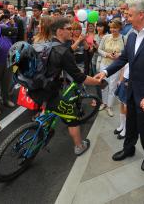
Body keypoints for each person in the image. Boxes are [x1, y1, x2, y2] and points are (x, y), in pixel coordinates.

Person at [95, 2, 144, 171]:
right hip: (131, 89)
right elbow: (124, 59)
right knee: (130, 123)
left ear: (141, 15)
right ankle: (128, 149)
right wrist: (106, 72)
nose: (126, 18)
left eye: (129, 15)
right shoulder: (131, 35)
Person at [28, 18, 102, 155]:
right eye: (69, 29)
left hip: (33, 89)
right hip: (48, 93)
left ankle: (44, 125)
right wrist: (98, 82)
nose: (72, 31)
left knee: (51, 107)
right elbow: (80, 77)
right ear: (59, 31)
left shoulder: (46, 44)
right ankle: (79, 146)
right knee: (72, 117)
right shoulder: (63, 51)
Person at [97, 19, 125, 117]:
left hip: (116, 66)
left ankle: (109, 106)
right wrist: (107, 55)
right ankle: (104, 103)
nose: (113, 30)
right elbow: (99, 50)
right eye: (111, 27)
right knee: (104, 85)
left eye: (115, 28)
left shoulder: (124, 38)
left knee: (112, 86)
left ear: (119, 28)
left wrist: (119, 55)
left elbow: (126, 53)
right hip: (104, 64)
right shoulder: (105, 37)